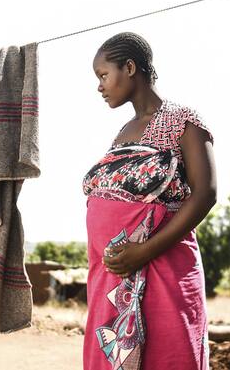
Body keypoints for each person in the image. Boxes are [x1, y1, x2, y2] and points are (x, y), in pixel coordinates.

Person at [82, 32, 217, 369]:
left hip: (165, 271)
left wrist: (143, 251)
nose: (100, 86)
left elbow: (205, 194)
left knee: (170, 357)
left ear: (129, 67)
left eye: (103, 75)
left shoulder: (181, 121)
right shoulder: (123, 131)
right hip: (111, 282)